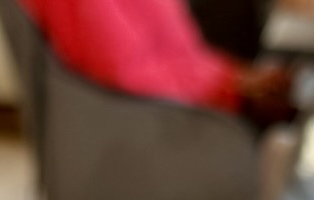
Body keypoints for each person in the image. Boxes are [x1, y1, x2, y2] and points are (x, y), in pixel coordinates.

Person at [18, 0, 296, 127]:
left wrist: (232, 76)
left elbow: (177, 47)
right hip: (134, 115)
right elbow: (123, 70)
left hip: (180, 92)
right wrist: (228, 88)